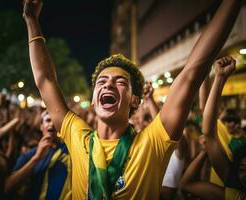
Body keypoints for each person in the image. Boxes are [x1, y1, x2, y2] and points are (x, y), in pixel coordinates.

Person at [22, 0, 241, 198]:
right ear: (95, 98)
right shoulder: (78, 137)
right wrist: (31, 20)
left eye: (120, 82)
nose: (108, 84)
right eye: (101, 81)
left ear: (135, 101)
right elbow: (45, 81)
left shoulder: (152, 143)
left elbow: (191, 73)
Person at [180, 56, 246, 199]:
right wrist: (215, 76)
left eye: (234, 122)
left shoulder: (239, 142)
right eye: (241, 169)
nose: (244, 174)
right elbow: (206, 112)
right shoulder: (235, 194)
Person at [4, 111, 71, 200]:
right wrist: (36, 158)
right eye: (48, 120)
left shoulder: (69, 150)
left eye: (55, 121)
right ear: (41, 126)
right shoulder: (29, 155)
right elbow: (8, 187)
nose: (52, 124)